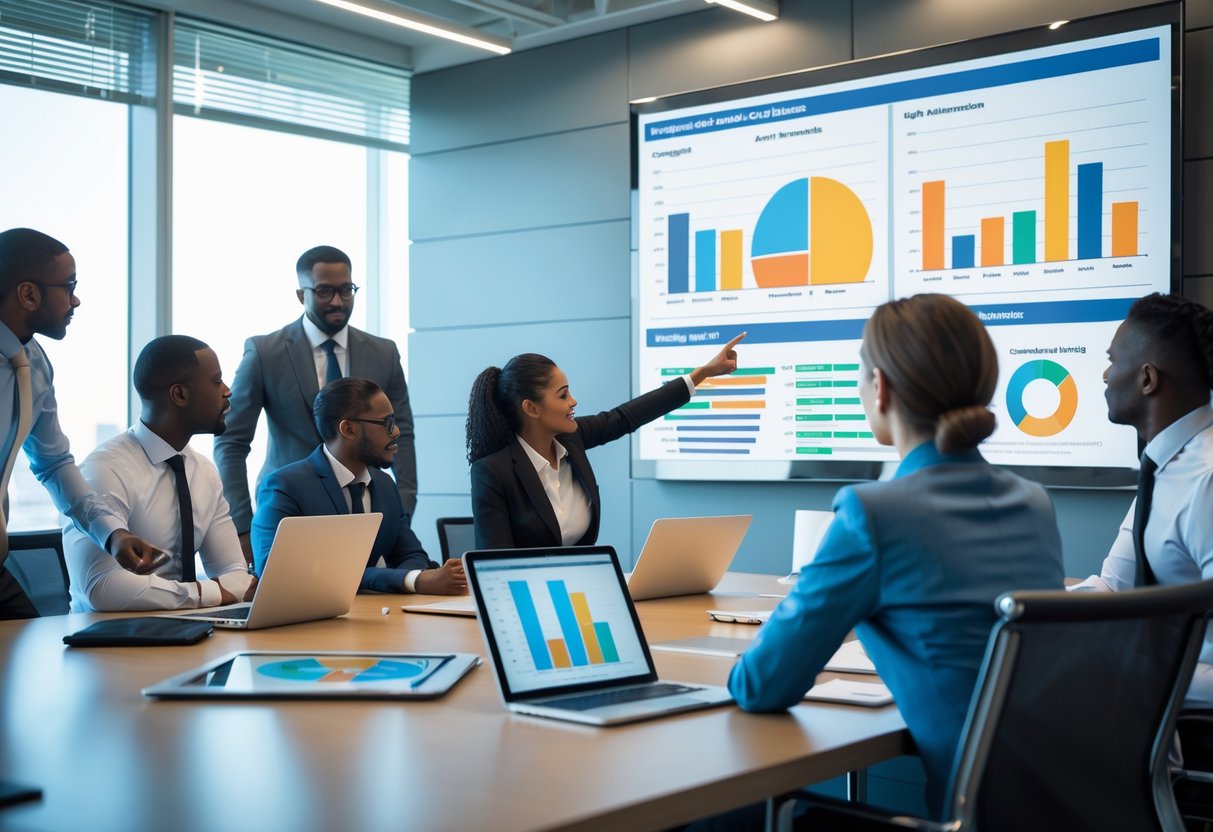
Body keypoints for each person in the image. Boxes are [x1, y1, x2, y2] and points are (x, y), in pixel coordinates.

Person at [727, 294, 1064, 821]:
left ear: (879, 386)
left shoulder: (872, 512)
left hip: (970, 814)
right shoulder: (1033, 500)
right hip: (1061, 806)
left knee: (725, 819)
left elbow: (763, 685)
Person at [215, 245, 417, 564]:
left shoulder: (384, 353)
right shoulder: (265, 352)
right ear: (301, 294)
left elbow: (401, 433)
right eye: (324, 291)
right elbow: (231, 442)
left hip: (365, 504)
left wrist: (401, 509)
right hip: (291, 510)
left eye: (346, 290)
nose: (337, 300)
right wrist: (242, 527)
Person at [0, 228, 161, 619]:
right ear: (29, 294)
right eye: (68, 287)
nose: (75, 300)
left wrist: (112, 533)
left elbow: (54, 463)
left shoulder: (33, 364)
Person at [465, 333, 745, 550]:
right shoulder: (492, 472)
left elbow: (625, 416)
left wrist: (703, 373)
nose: (573, 401)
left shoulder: (572, 439)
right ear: (531, 408)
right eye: (563, 396)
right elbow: (494, 565)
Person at [1074, 292, 1213, 706]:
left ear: (1147, 379)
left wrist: (1142, 669)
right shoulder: (1164, 466)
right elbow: (1115, 587)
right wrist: (1025, 614)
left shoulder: (1206, 480)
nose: (1104, 375)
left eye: (1113, 360)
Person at [63, 335, 256, 611]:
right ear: (179, 394)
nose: (227, 391)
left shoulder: (203, 472)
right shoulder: (104, 470)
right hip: (107, 643)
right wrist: (204, 593)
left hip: (190, 636)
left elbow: (235, 573)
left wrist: (216, 591)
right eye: (216, 381)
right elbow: (102, 588)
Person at [252, 377, 464, 595]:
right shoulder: (284, 487)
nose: (396, 432)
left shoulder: (384, 485)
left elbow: (412, 555)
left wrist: (406, 579)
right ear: (349, 429)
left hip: (375, 618)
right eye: (387, 423)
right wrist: (411, 580)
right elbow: (276, 572)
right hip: (309, 624)